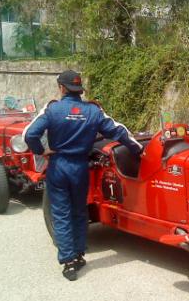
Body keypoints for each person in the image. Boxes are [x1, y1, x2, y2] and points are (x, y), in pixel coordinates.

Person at [24, 70, 143, 281]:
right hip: (80, 167)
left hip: (59, 165)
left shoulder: (52, 109)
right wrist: (138, 150)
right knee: (80, 211)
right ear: (79, 89)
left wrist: (41, 151)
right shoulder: (93, 111)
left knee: (61, 213)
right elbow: (119, 131)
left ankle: (68, 262)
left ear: (61, 88)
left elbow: (29, 134)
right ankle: (79, 255)